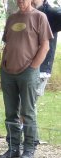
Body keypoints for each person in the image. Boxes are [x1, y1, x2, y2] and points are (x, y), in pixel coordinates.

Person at [0, 0, 52, 158]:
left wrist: (33, 67)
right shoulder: (12, 18)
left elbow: (45, 46)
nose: (20, 1)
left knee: (27, 112)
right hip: (7, 72)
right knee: (10, 112)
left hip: (28, 72)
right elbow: (7, 45)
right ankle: (13, 148)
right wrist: (3, 65)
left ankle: (29, 148)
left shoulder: (40, 17)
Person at [32, 0, 61, 145]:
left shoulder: (52, 13)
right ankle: (32, 138)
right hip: (22, 66)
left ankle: (30, 139)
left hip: (41, 68)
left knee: (28, 105)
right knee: (23, 105)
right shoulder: (25, 12)